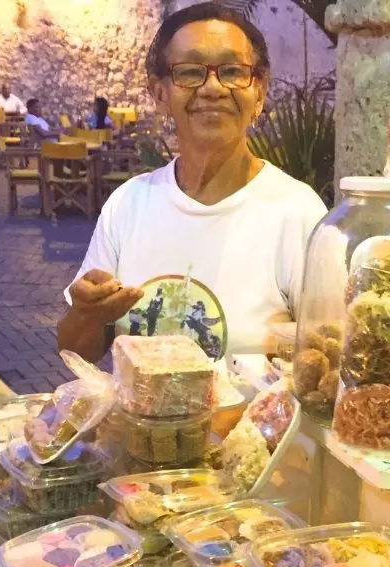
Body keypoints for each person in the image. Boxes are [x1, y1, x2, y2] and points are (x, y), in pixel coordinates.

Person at [56, 2, 328, 362]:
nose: (213, 88)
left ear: (259, 92)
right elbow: (76, 351)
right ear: (160, 94)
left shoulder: (298, 213)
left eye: (233, 71)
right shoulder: (128, 205)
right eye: (189, 72)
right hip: (140, 402)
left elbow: (332, 351)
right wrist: (87, 314)